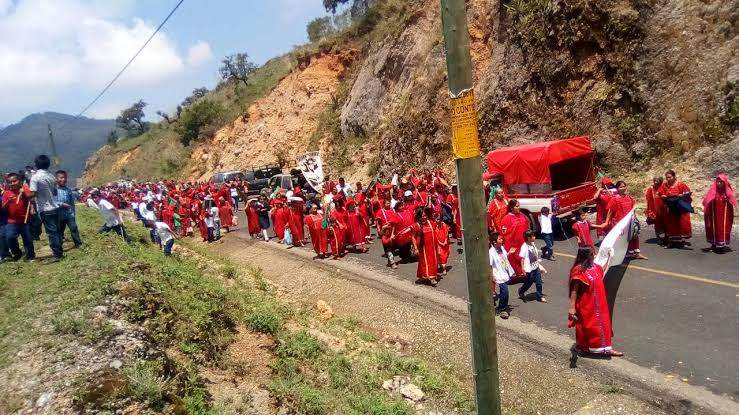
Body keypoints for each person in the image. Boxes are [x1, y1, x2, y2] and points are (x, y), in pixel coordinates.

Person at [567, 246, 623, 357]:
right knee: (587, 327)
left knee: (604, 325)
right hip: (586, 305)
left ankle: (607, 348)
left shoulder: (595, 267)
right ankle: (583, 347)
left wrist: (609, 258)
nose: (595, 255)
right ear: (586, 256)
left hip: (600, 303)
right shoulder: (578, 270)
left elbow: (604, 270)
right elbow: (574, 290)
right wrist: (572, 307)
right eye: (592, 254)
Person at [28, 155, 63, 261]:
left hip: (45, 208)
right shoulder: (51, 176)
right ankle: (59, 250)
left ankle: (57, 254)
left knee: (51, 232)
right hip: (54, 206)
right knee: (56, 230)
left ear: (36, 165)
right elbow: (55, 191)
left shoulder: (35, 177)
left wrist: (24, 193)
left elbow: (33, 193)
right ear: (48, 164)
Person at [605, 181, 647, 260]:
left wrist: (635, 219)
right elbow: (610, 211)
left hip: (630, 221)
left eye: (624, 186)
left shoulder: (629, 197)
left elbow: (632, 209)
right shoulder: (614, 199)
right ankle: (628, 253)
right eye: (621, 187)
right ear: (617, 188)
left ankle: (637, 253)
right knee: (624, 239)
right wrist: (607, 222)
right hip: (620, 222)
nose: (623, 188)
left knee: (635, 235)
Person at [2, 173, 35, 260]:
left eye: (14, 181)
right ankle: (17, 253)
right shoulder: (6, 193)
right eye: (10, 182)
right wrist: (7, 202)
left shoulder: (24, 189)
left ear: (19, 181)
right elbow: (3, 208)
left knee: (28, 239)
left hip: (25, 220)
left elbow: (31, 198)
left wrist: (24, 193)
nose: (12, 183)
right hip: (12, 221)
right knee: (10, 237)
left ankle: (30, 255)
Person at [658, 170, 693, 248]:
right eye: (667, 177)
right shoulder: (664, 185)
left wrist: (681, 195)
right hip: (670, 207)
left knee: (681, 223)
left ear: (674, 176)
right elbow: (660, 193)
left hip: (680, 207)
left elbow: (687, 194)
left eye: (670, 177)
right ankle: (672, 241)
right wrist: (663, 196)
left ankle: (681, 241)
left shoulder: (681, 185)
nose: (668, 179)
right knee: (671, 224)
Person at [702, 174, 735, 253]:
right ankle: (713, 244)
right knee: (713, 228)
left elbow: (732, 202)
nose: (719, 183)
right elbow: (707, 201)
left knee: (722, 229)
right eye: (718, 182)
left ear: (724, 183)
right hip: (713, 215)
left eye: (721, 182)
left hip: (724, 216)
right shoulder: (713, 191)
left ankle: (721, 246)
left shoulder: (728, 192)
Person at [500, 199, 529, 277]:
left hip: (523, 242)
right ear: (511, 208)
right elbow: (504, 232)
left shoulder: (522, 215)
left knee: (524, 257)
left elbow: (527, 227)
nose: (519, 207)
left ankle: (525, 272)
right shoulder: (506, 218)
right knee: (514, 259)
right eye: (517, 206)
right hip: (513, 244)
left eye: (519, 206)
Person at [489, 232, 514, 319]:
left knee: (504, 291)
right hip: (498, 274)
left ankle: (500, 307)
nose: (502, 240)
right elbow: (490, 265)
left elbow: (504, 258)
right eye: (500, 239)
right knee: (505, 291)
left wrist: (509, 253)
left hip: (504, 272)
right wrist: (492, 276)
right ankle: (502, 309)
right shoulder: (491, 252)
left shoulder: (502, 248)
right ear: (494, 242)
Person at [54, 170, 82, 248]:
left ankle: (78, 244)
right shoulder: (54, 190)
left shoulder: (68, 190)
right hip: (59, 215)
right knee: (59, 231)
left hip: (69, 214)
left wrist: (73, 213)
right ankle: (59, 246)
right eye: (61, 177)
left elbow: (72, 202)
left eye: (65, 178)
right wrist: (62, 204)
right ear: (56, 179)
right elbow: (53, 202)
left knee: (73, 228)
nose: (63, 179)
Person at [413, 207, 439, 286]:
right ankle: (431, 278)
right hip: (423, 248)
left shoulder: (431, 223)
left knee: (433, 261)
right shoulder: (417, 225)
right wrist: (415, 248)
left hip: (433, 247)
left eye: (425, 215)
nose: (424, 217)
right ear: (419, 216)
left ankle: (426, 276)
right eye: (422, 216)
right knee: (425, 262)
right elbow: (413, 237)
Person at [518, 230, 547, 302]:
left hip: (536, 267)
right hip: (529, 269)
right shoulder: (524, 247)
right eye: (533, 236)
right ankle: (521, 291)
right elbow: (522, 259)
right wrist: (522, 268)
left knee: (539, 282)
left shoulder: (533, 244)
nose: (535, 237)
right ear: (528, 238)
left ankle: (539, 296)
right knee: (528, 283)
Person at [645, 177, 666, 244]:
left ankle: (666, 237)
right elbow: (649, 200)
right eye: (655, 180)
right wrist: (650, 210)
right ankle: (658, 237)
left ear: (661, 181)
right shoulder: (650, 189)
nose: (656, 182)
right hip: (655, 210)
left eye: (658, 181)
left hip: (664, 209)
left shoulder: (664, 187)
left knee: (666, 223)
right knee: (657, 224)